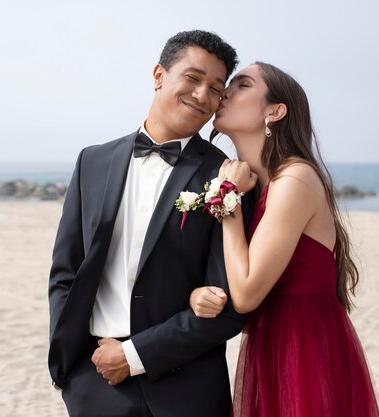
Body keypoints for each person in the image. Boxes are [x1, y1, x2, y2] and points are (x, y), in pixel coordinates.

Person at [48, 30, 249, 417]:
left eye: (215, 89)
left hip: (186, 390)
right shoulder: (92, 161)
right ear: (159, 75)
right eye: (192, 78)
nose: (202, 95)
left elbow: (229, 305)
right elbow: (65, 271)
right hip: (92, 381)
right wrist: (65, 363)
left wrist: (134, 355)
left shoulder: (227, 178)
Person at [189, 62, 379, 416]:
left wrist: (227, 198)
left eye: (243, 84)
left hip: (304, 351)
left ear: (274, 112)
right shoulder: (258, 188)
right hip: (272, 345)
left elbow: (245, 294)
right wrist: (199, 293)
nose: (226, 92)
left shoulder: (294, 180)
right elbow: (232, 274)